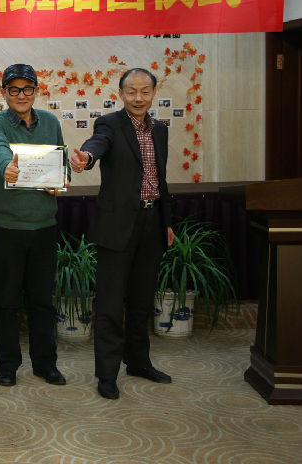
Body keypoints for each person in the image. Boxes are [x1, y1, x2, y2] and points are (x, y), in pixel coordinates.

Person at [70, 67, 175, 400]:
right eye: (132, 91)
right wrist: (86, 158)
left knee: (142, 301)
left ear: (153, 93)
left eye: (145, 91)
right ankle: (107, 374)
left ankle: (138, 362)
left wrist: (166, 222)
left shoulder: (160, 130)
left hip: (152, 223)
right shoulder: (109, 124)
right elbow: (97, 145)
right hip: (117, 226)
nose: (138, 98)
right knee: (111, 304)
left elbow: (160, 178)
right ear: (121, 94)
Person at [0, 63, 69, 388]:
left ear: (35, 91)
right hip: (5, 227)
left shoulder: (51, 122)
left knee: (42, 300)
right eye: (14, 89)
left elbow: (61, 163)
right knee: (6, 301)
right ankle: (7, 365)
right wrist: (7, 166)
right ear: (4, 92)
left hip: (43, 226)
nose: (21, 95)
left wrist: (62, 180)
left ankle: (46, 365)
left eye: (27, 89)